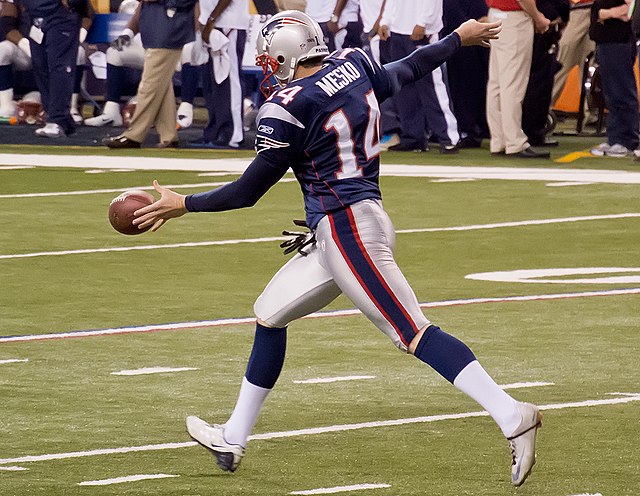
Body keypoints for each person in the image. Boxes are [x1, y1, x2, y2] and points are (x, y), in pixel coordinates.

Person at [133, 10, 542, 487]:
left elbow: (247, 192)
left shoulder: (288, 105)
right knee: (270, 314)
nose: (268, 66)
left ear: (284, 57)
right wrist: (456, 39)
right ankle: (233, 436)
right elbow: (407, 68)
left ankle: (513, 414)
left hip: (347, 229)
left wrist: (183, 203)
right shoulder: (352, 64)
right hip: (346, 225)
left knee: (412, 331)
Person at [103, 0, 197, 149]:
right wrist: (128, 33)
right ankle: (169, 135)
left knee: (149, 86)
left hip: (168, 30)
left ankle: (134, 135)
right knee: (162, 86)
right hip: (154, 31)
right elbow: (143, 5)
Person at [378, 0, 460, 153]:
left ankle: (449, 137)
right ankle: (413, 137)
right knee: (403, 85)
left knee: (432, 84)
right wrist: (386, 21)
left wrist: (423, 22)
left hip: (424, 29)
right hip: (398, 28)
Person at [485, 0, 551, 157]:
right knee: (512, 81)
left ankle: (499, 139)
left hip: (495, 14)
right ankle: (514, 141)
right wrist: (538, 17)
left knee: (497, 81)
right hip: (514, 18)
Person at [190, 0, 250, 148]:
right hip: (209, 24)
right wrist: (203, 22)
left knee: (230, 78)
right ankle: (214, 131)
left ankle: (232, 133)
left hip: (229, 23)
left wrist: (211, 19)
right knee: (212, 83)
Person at [588, 0, 638, 157]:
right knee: (612, 93)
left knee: (621, 91)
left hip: (618, 40)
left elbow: (631, 8)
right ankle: (615, 138)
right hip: (607, 39)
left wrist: (607, 13)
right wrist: (603, 14)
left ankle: (625, 140)